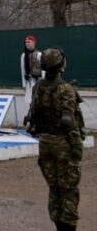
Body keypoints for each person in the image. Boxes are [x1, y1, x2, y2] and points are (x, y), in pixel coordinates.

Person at [26, 47, 85, 231]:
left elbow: (33, 116)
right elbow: (69, 121)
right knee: (68, 191)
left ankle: (59, 226)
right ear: (61, 66)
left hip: (45, 144)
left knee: (54, 188)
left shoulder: (38, 87)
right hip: (63, 145)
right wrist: (76, 146)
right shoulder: (66, 89)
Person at [21, 35, 45, 105]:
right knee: (30, 102)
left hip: (37, 82)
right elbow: (23, 71)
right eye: (26, 42)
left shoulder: (39, 54)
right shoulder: (23, 55)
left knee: (38, 101)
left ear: (34, 43)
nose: (27, 44)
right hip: (29, 82)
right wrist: (24, 85)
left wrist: (43, 83)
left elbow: (43, 70)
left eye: (29, 42)